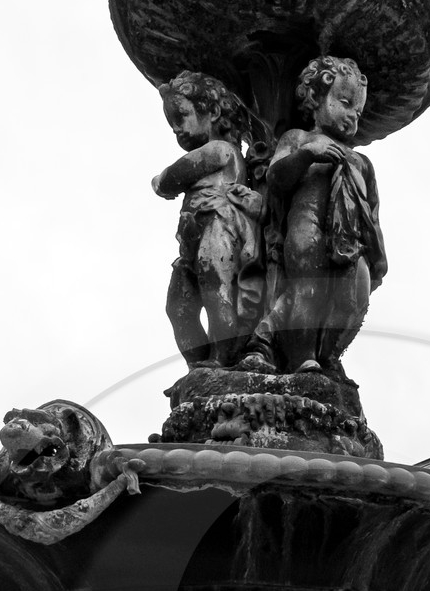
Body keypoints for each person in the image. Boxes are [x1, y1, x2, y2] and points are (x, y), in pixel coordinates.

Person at [239, 55, 387, 377]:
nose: (351, 116)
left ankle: (329, 353)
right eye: (344, 102)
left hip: (350, 239)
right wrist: (307, 155)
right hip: (306, 223)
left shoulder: (361, 162)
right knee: (307, 289)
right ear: (316, 98)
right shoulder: (298, 139)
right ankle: (302, 357)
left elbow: (371, 213)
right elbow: (276, 178)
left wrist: (379, 256)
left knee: (355, 297)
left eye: (358, 112)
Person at [152, 71, 265, 369]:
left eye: (183, 116)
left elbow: (174, 176)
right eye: (172, 123)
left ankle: (223, 357)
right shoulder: (214, 150)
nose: (178, 129)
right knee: (179, 306)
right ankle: (200, 363)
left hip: (219, 224)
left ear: (213, 111)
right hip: (193, 232)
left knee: (216, 285)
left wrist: (159, 180)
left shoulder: (221, 150)